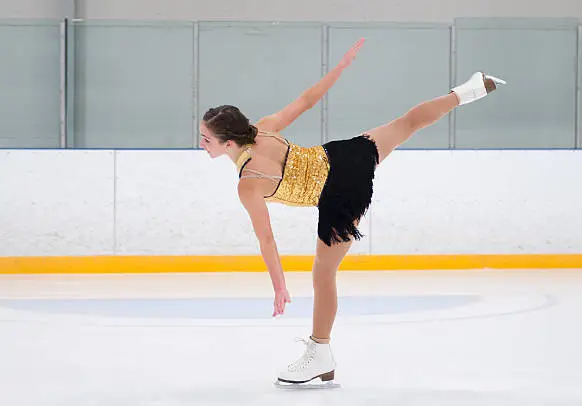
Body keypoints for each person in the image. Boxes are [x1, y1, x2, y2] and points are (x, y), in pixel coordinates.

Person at [199, 38, 505, 385]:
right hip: (344, 156)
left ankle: (319, 352)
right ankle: (470, 90)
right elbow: (306, 100)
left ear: (228, 143)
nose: (201, 144)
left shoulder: (248, 182)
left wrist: (280, 285)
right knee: (406, 123)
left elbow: (266, 239)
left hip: (340, 195)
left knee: (323, 274)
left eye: (206, 139)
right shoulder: (265, 128)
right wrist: (340, 69)